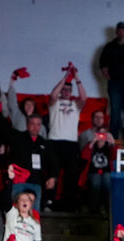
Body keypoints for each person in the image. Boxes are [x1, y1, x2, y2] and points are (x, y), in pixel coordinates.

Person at [48, 70, 88, 209]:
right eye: (64, 89)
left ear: (71, 92)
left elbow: (84, 97)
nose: (66, 92)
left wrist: (76, 76)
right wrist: (65, 77)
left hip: (71, 143)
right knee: (52, 172)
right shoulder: (54, 103)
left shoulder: (75, 105)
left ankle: (69, 203)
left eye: (68, 90)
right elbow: (53, 94)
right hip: (54, 141)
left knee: (71, 175)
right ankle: (49, 201)